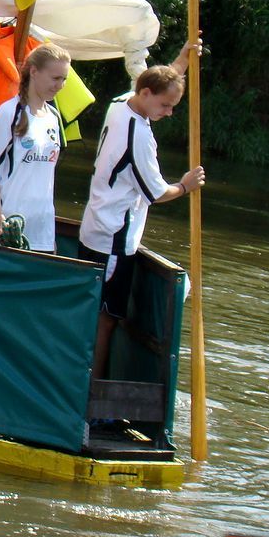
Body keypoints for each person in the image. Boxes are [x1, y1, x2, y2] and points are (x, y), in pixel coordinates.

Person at [79, 43, 205, 378]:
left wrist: (181, 62)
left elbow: (161, 81)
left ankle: (88, 386)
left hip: (95, 225)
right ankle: (92, 391)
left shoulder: (121, 103)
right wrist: (186, 185)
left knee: (94, 312)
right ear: (147, 94)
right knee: (105, 320)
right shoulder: (138, 136)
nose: (169, 113)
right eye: (165, 105)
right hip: (113, 239)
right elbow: (157, 192)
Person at [0, 42, 71, 252]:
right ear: (34, 71)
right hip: (4, 227)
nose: (59, 85)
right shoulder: (9, 113)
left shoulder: (53, 117)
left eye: (64, 79)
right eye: (55, 78)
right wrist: (1, 222)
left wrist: (48, 233)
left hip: (39, 230)